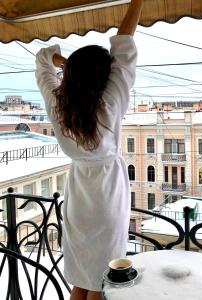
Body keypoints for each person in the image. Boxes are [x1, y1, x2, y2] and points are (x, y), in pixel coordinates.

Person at [35, 1, 144, 299]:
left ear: (70, 75)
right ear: (104, 76)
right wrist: (137, 3)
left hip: (78, 199)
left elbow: (43, 61)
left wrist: (67, 64)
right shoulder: (110, 103)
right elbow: (124, 45)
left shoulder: (58, 106)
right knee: (102, 281)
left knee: (82, 281)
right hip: (107, 199)